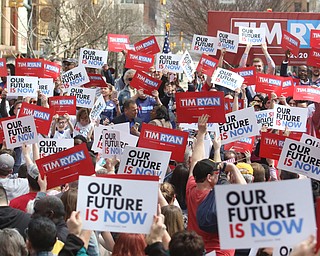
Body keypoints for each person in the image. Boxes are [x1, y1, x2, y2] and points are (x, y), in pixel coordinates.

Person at [186, 114, 246, 255]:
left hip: (195, 250)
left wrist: (201, 133)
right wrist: (233, 168)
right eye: (216, 174)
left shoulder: (191, 187)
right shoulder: (222, 197)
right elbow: (245, 194)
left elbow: (195, 161)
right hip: (220, 251)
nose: (218, 176)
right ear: (209, 177)